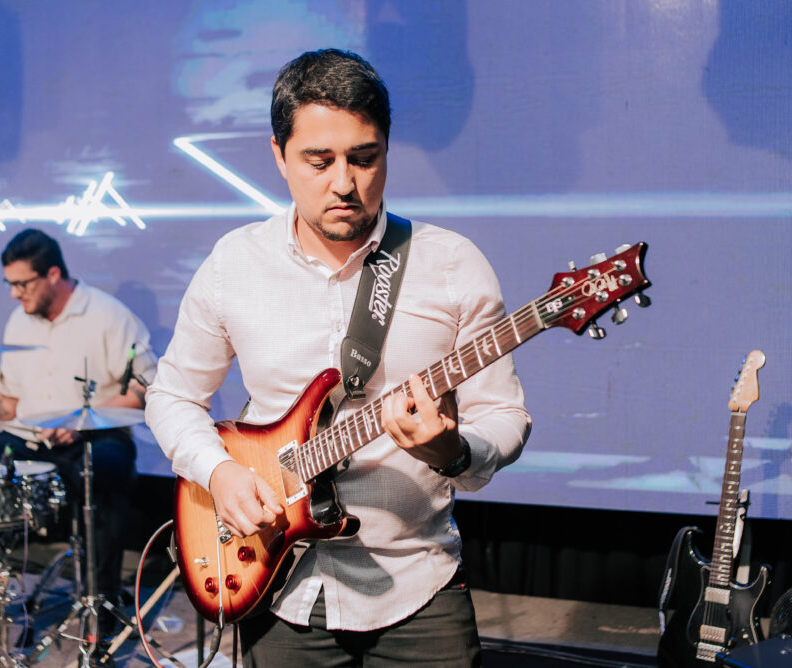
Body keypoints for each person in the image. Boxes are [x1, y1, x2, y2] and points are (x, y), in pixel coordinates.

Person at [145, 49, 531, 666]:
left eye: (364, 158)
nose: (345, 184)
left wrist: (452, 451)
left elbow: (504, 416)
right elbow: (172, 396)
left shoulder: (452, 265)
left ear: (387, 150)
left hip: (417, 583)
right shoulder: (233, 264)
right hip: (280, 583)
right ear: (279, 155)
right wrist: (219, 473)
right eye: (319, 161)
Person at [0, 228, 157, 637]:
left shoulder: (109, 316)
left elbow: (145, 390)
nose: (15, 294)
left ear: (52, 274)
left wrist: (81, 419)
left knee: (102, 477)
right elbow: (9, 401)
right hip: (29, 437)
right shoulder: (21, 320)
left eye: (22, 284)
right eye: (10, 284)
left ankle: (100, 603)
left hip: (96, 436)